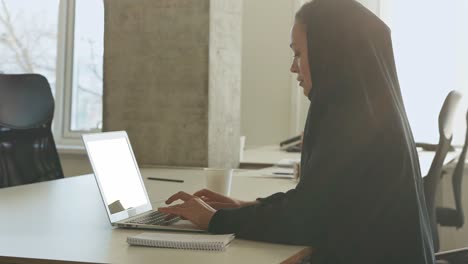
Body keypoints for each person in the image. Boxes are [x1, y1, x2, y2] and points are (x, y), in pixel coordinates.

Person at [159, 0, 435, 263]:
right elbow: (316, 201)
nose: (293, 67)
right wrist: (246, 207)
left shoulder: (349, 120)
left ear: (329, 52)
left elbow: (305, 219)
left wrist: (215, 220)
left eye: (299, 53)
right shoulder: (368, 111)